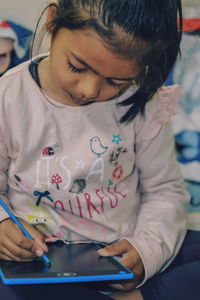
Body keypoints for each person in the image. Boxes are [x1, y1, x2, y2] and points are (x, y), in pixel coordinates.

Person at [0, 0, 192, 299]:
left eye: (117, 82)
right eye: (77, 66)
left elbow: (165, 191)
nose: (88, 91)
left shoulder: (145, 102)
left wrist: (147, 252)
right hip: (39, 260)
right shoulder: (9, 97)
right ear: (52, 22)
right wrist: (2, 226)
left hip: (119, 250)